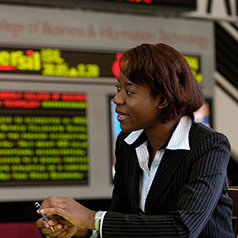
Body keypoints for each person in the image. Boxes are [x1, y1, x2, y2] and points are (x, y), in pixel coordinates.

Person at [35, 43, 234, 238]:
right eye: (118, 88)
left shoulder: (210, 145)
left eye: (129, 92)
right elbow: (124, 218)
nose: (117, 99)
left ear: (162, 101)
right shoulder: (127, 142)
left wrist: (90, 218)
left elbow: (182, 229)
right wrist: (82, 229)